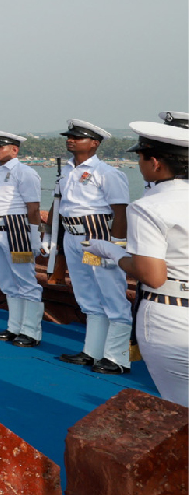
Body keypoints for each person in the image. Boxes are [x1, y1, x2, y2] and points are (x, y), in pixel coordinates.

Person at [85, 121, 188, 405]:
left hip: (172, 313)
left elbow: (151, 275)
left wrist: (113, 252)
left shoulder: (149, 206)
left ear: (155, 163)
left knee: (178, 407)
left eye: (140, 157)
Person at [51, 119, 133, 374]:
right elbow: (61, 207)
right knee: (87, 295)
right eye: (69, 136)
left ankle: (118, 358)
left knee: (111, 294)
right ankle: (92, 352)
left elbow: (120, 212)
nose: (70, 140)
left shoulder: (106, 173)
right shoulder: (67, 170)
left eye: (78, 137)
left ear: (94, 143)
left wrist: (116, 246)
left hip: (96, 235)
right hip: (72, 234)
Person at [0, 131, 44, 347]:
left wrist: (34, 238)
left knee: (26, 281)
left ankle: (31, 331)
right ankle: (14, 326)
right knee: (7, 281)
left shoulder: (24, 173)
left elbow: (33, 208)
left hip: (16, 230)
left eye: (0, 146)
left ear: (14, 150)